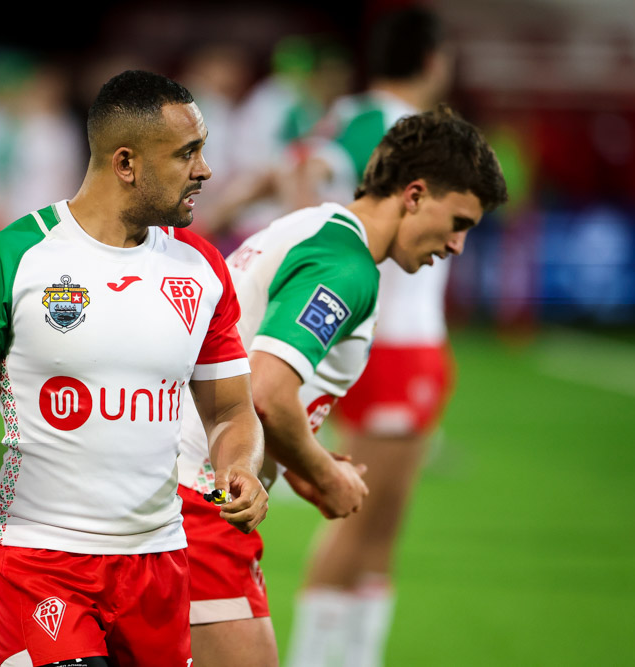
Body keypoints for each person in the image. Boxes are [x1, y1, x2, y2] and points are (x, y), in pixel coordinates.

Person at [0, 70, 269, 667]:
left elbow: (231, 411)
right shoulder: (6, 261)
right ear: (126, 163)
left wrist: (238, 465)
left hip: (159, 565)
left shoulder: (202, 269)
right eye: (187, 153)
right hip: (39, 562)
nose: (206, 170)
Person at [179, 105, 509, 666]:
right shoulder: (346, 265)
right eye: (458, 223)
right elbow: (265, 391)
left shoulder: (313, 227)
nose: (457, 246)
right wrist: (325, 474)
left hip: (178, 486)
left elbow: (247, 376)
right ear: (414, 194)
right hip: (207, 496)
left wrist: (299, 462)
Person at [285, 9, 465, 666]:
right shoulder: (390, 123)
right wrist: (326, 264)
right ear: (432, 58)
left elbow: (300, 174)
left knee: (383, 525)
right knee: (361, 518)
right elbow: (304, 178)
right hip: (390, 342)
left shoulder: (360, 117)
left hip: (400, 338)